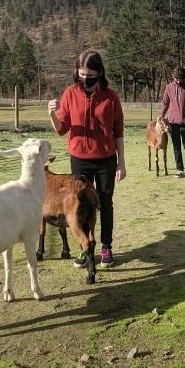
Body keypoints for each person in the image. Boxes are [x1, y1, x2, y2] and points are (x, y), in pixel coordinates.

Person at [47, 50, 126, 269]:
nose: (85, 78)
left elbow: (118, 130)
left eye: (89, 74)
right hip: (80, 160)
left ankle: (107, 246)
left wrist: (121, 162)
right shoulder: (70, 94)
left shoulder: (111, 98)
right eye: (81, 73)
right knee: (81, 206)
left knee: (105, 203)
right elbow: (61, 130)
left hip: (106, 160)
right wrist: (51, 115)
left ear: (99, 73)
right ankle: (85, 248)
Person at [159, 66, 185, 179]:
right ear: (173, 77)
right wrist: (161, 116)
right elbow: (165, 104)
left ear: (184, 78)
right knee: (176, 147)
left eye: (180, 78)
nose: (178, 81)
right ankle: (179, 169)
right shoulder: (169, 88)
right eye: (176, 78)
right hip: (172, 123)